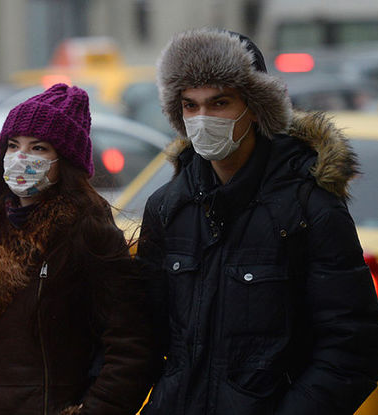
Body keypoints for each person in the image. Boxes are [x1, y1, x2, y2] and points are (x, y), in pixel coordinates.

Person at [135, 27, 378, 415]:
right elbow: (142, 338)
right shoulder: (168, 208)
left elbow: (351, 349)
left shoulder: (309, 209)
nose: (202, 119)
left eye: (219, 103)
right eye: (190, 105)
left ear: (255, 107)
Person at [0, 83, 157, 415]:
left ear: (63, 161)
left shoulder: (88, 231)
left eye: (38, 148)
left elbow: (130, 344)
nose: (21, 158)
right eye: (13, 145)